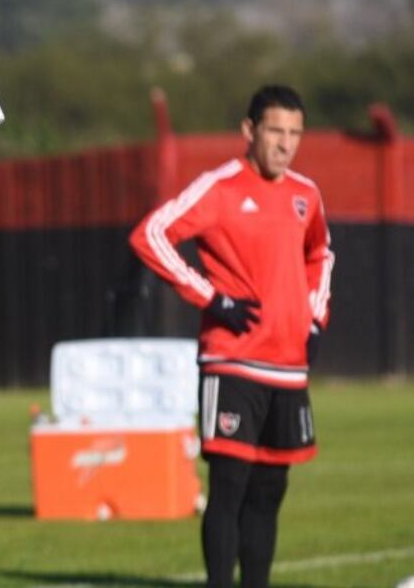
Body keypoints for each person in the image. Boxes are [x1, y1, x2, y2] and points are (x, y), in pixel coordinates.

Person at [129, 85, 334, 588]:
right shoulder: (218, 187)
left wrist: (313, 317)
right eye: (275, 132)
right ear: (250, 131)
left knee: (269, 492)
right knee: (230, 490)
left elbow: (321, 254)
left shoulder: (306, 194)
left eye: (295, 134)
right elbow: (151, 234)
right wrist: (212, 298)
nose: (285, 144)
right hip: (233, 361)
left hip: (288, 366)